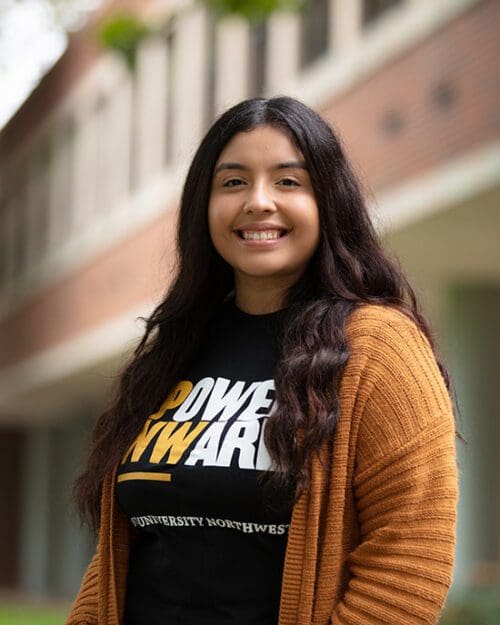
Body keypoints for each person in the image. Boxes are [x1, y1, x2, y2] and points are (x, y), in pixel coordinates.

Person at [66, 96, 460, 625]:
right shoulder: (176, 349)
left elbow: (409, 556)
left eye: (287, 182)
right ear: (203, 207)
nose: (258, 202)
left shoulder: (377, 348)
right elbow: (121, 557)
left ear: (329, 202)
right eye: (232, 182)